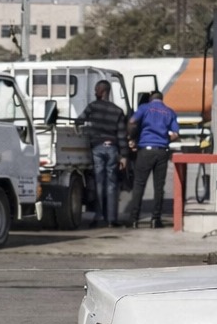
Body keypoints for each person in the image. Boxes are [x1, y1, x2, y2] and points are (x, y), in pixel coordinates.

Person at [122, 89, 179, 228]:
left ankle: (134, 219)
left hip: (145, 151)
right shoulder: (169, 111)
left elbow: (132, 121)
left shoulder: (144, 108)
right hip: (162, 151)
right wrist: (164, 139)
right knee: (159, 187)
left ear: (151, 99)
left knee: (139, 184)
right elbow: (176, 134)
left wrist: (131, 137)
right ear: (161, 99)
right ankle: (155, 219)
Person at [76, 79, 128, 228]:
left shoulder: (92, 107)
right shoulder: (117, 111)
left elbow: (79, 121)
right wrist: (124, 155)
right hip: (112, 148)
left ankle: (98, 217)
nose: (95, 92)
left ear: (103, 91)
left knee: (99, 183)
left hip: (97, 147)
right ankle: (111, 219)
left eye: (97, 89)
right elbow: (122, 135)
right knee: (112, 184)